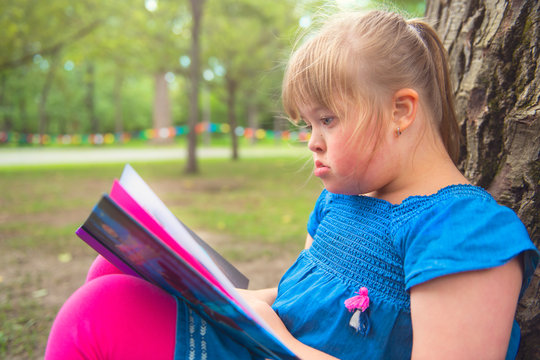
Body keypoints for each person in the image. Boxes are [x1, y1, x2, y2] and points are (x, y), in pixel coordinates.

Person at [45, 10, 539, 360]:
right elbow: (292, 296)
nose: (312, 143)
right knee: (110, 271)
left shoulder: (464, 231)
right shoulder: (341, 201)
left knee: (98, 313)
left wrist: (282, 340)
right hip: (270, 344)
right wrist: (220, 297)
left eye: (327, 120)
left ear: (401, 110)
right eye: (306, 124)